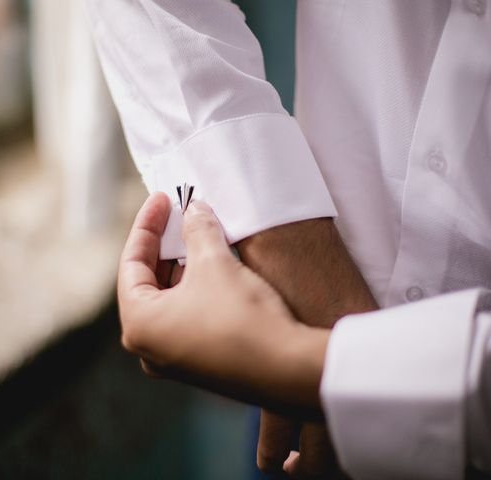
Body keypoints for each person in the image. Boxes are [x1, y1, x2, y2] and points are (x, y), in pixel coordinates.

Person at [86, 0, 491, 477]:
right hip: (294, 331)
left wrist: (305, 363)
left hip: (290, 354)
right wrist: (278, 236)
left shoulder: (290, 357)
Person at [117, 193, 491, 480]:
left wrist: (297, 360)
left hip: (282, 366)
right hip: (284, 394)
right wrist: (284, 241)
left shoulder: (280, 359)